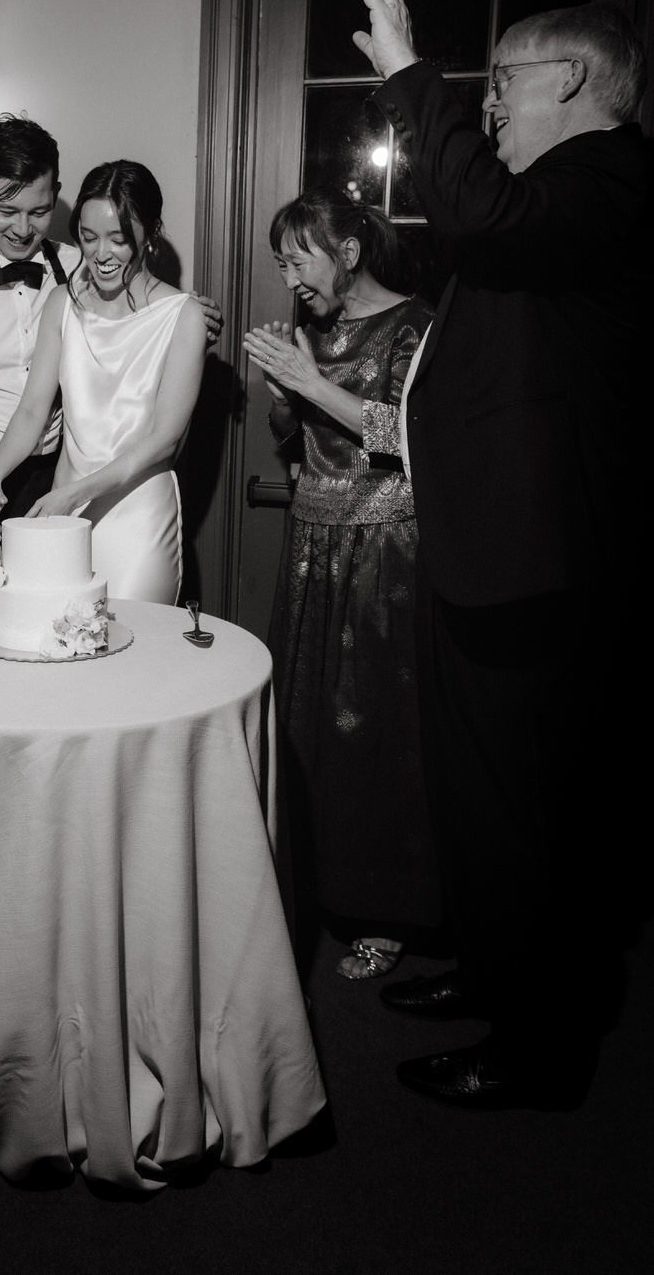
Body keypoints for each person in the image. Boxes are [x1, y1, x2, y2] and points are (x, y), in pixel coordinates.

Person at [346, 0, 650, 1107]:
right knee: (478, 793)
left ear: (573, 80)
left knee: (533, 808)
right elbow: (463, 223)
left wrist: (410, 65)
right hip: (487, 551)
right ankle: (487, 970)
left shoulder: (610, 177)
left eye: (505, 84)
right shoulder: (543, 206)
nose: (488, 104)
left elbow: (479, 202)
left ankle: (536, 1045)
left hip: (544, 562)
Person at [0, 116, 222, 600]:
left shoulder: (77, 263)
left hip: (64, 482)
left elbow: (141, 292)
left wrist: (191, 320)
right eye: (7, 210)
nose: (23, 229)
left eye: (40, 211)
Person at [243, 188, 439, 981]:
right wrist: (286, 399)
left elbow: (407, 434)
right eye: (281, 262)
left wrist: (311, 383)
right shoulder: (311, 333)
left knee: (375, 736)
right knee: (303, 726)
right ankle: (305, 890)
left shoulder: (416, 326)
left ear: (347, 252)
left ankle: (384, 913)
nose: (290, 277)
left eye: (298, 258)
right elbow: (295, 437)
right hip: (310, 544)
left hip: (383, 553)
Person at [0, 160, 207, 602]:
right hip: (67, 511)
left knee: (132, 649)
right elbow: (31, 410)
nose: (101, 254)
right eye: (88, 236)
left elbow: (163, 442)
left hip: (138, 515)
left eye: (119, 240)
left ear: (150, 234)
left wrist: (74, 494)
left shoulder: (183, 315)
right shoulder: (62, 303)